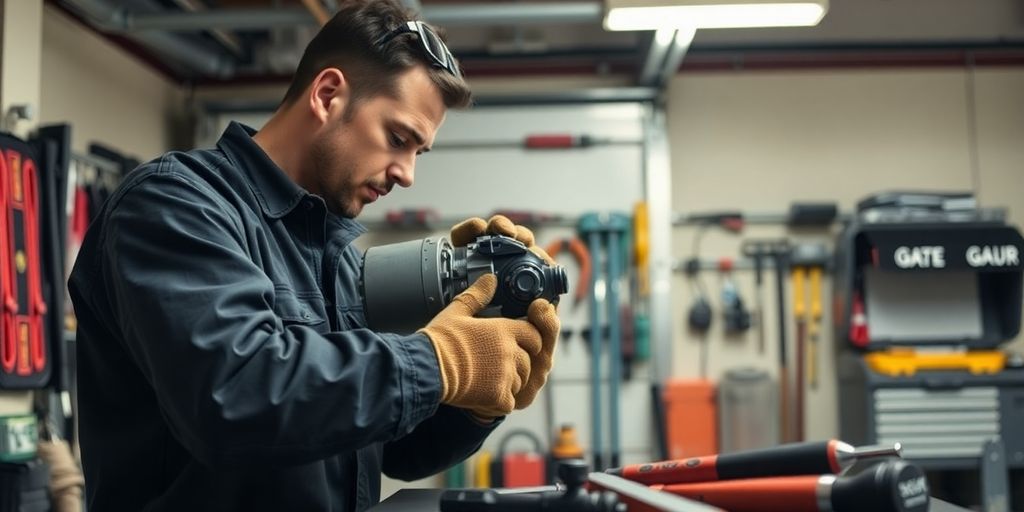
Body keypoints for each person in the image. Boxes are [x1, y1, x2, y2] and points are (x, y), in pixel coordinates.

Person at [66, 1, 560, 510]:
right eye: (397, 138)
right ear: (327, 95)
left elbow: (387, 451)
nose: (406, 173)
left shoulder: (338, 256)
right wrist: (440, 361)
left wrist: (476, 401)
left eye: (418, 152)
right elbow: (234, 397)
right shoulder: (174, 205)